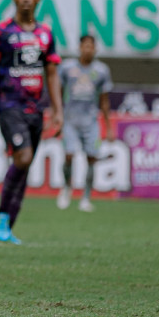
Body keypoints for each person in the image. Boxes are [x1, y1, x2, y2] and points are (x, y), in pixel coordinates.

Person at [0, 0, 63, 244]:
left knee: (24, 165)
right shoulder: (1, 31)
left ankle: (7, 224)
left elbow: (52, 73)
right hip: (10, 106)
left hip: (36, 108)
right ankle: (1, 216)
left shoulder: (46, 34)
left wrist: (57, 111)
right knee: (24, 158)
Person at [56, 35, 115, 212]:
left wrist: (109, 126)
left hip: (90, 122)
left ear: (95, 49)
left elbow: (104, 101)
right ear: (80, 47)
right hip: (70, 120)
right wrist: (56, 115)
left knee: (91, 158)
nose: (88, 49)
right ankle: (67, 187)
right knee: (68, 155)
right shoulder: (67, 67)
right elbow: (57, 92)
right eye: (85, 46)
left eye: (91, 46)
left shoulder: (102, 70)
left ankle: (86, 197)